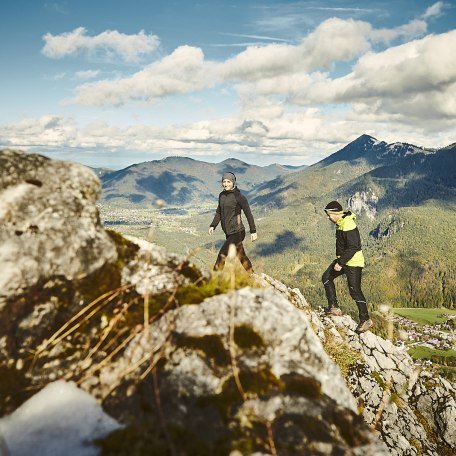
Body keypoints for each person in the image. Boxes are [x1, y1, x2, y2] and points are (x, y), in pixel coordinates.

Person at [322, 200, 373, 333]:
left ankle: (365, 319)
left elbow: (354, 247)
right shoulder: (341, 223)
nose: (328, 217)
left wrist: (340, 263)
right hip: (344, 260)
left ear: (335, 213)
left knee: (355, 290)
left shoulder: (348, 224)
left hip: (353, 262)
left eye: (329, 215)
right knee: (326, 277)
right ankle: (333, 306)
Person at [208, 172, 257, 272]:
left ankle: (215, 277)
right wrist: (213, 225)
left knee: (222, 254)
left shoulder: (239, 196)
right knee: (241, 255)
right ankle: (252, 275)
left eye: (228, 182)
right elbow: (219, 212)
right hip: (229, 233)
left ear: (233, 182)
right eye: (224, 181)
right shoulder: (221, 195)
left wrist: (253, 231)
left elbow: (248, 214)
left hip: (238, 232)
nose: (226, 184)